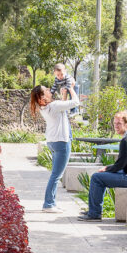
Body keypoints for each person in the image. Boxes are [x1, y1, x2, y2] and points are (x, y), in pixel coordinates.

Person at [78, 110, 127, 221]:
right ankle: (93, 209)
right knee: (102, 175)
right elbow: (122, 163)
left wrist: (106, 168)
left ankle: (94, 213)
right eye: (115, 124)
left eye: (119, 124)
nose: (116, 126)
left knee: (97, 178)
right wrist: (108, 169)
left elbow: (120, 165)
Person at [32, 80, 79, 212]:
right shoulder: (54, 106)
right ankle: (48, 204)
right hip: (61, 143)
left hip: (53, 141)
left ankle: (52, 202)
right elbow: (75, 102)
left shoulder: (45, 107)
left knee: (55, 174)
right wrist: (71, 89)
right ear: (43, 97)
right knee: (56, 175)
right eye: (46, 90)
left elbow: (62, 110)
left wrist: (63, 96)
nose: (49, 89)